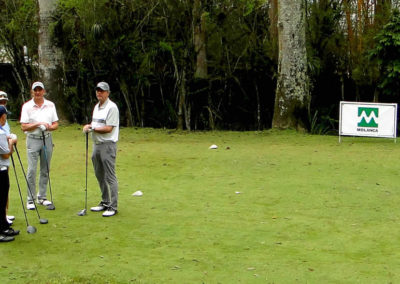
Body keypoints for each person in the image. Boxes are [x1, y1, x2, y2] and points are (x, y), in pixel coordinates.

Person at [20, 82, 59, 210]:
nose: (37, 92)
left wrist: (49, 127)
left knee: (45, 169)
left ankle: (42, 197)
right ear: (32, 92)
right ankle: (30, 199)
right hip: (33, 139)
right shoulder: (27, 106)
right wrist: (38, 124)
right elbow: (24, 126)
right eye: (35, 90)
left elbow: (55, 124)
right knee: (32, 170)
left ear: (44, 91)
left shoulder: (50, 105)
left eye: (40, 90)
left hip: (47, 139)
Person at [83, 82, 119, 217]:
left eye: (102, 91)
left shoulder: (112, 107)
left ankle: (113, 206)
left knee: (110, 176)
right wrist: (88, 127)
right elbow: (95, 124)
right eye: (98, 90)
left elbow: (109, 128)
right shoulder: (97, 107)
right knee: (99, 174)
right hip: (96, 145)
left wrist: (92, 129)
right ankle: (105, 201)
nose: (99, 93)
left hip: (108, 145)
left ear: (108, 93)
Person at [0, 105, 19, 242]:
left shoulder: (1, 132)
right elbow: (6, 154)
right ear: (2, 116)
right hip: (1, 169)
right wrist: (11, 142)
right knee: (1, 200)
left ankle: (4, 226)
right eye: (5, 115)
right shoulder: (0, 133)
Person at [0, 91, 14, 225]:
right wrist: (11, 142)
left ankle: (5, 215)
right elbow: (5, 152)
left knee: (4, 191)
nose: (3, 103)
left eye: (4, 101)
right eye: (0, 101)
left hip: (4, 163)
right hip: (2, 161)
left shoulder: (5, 122)